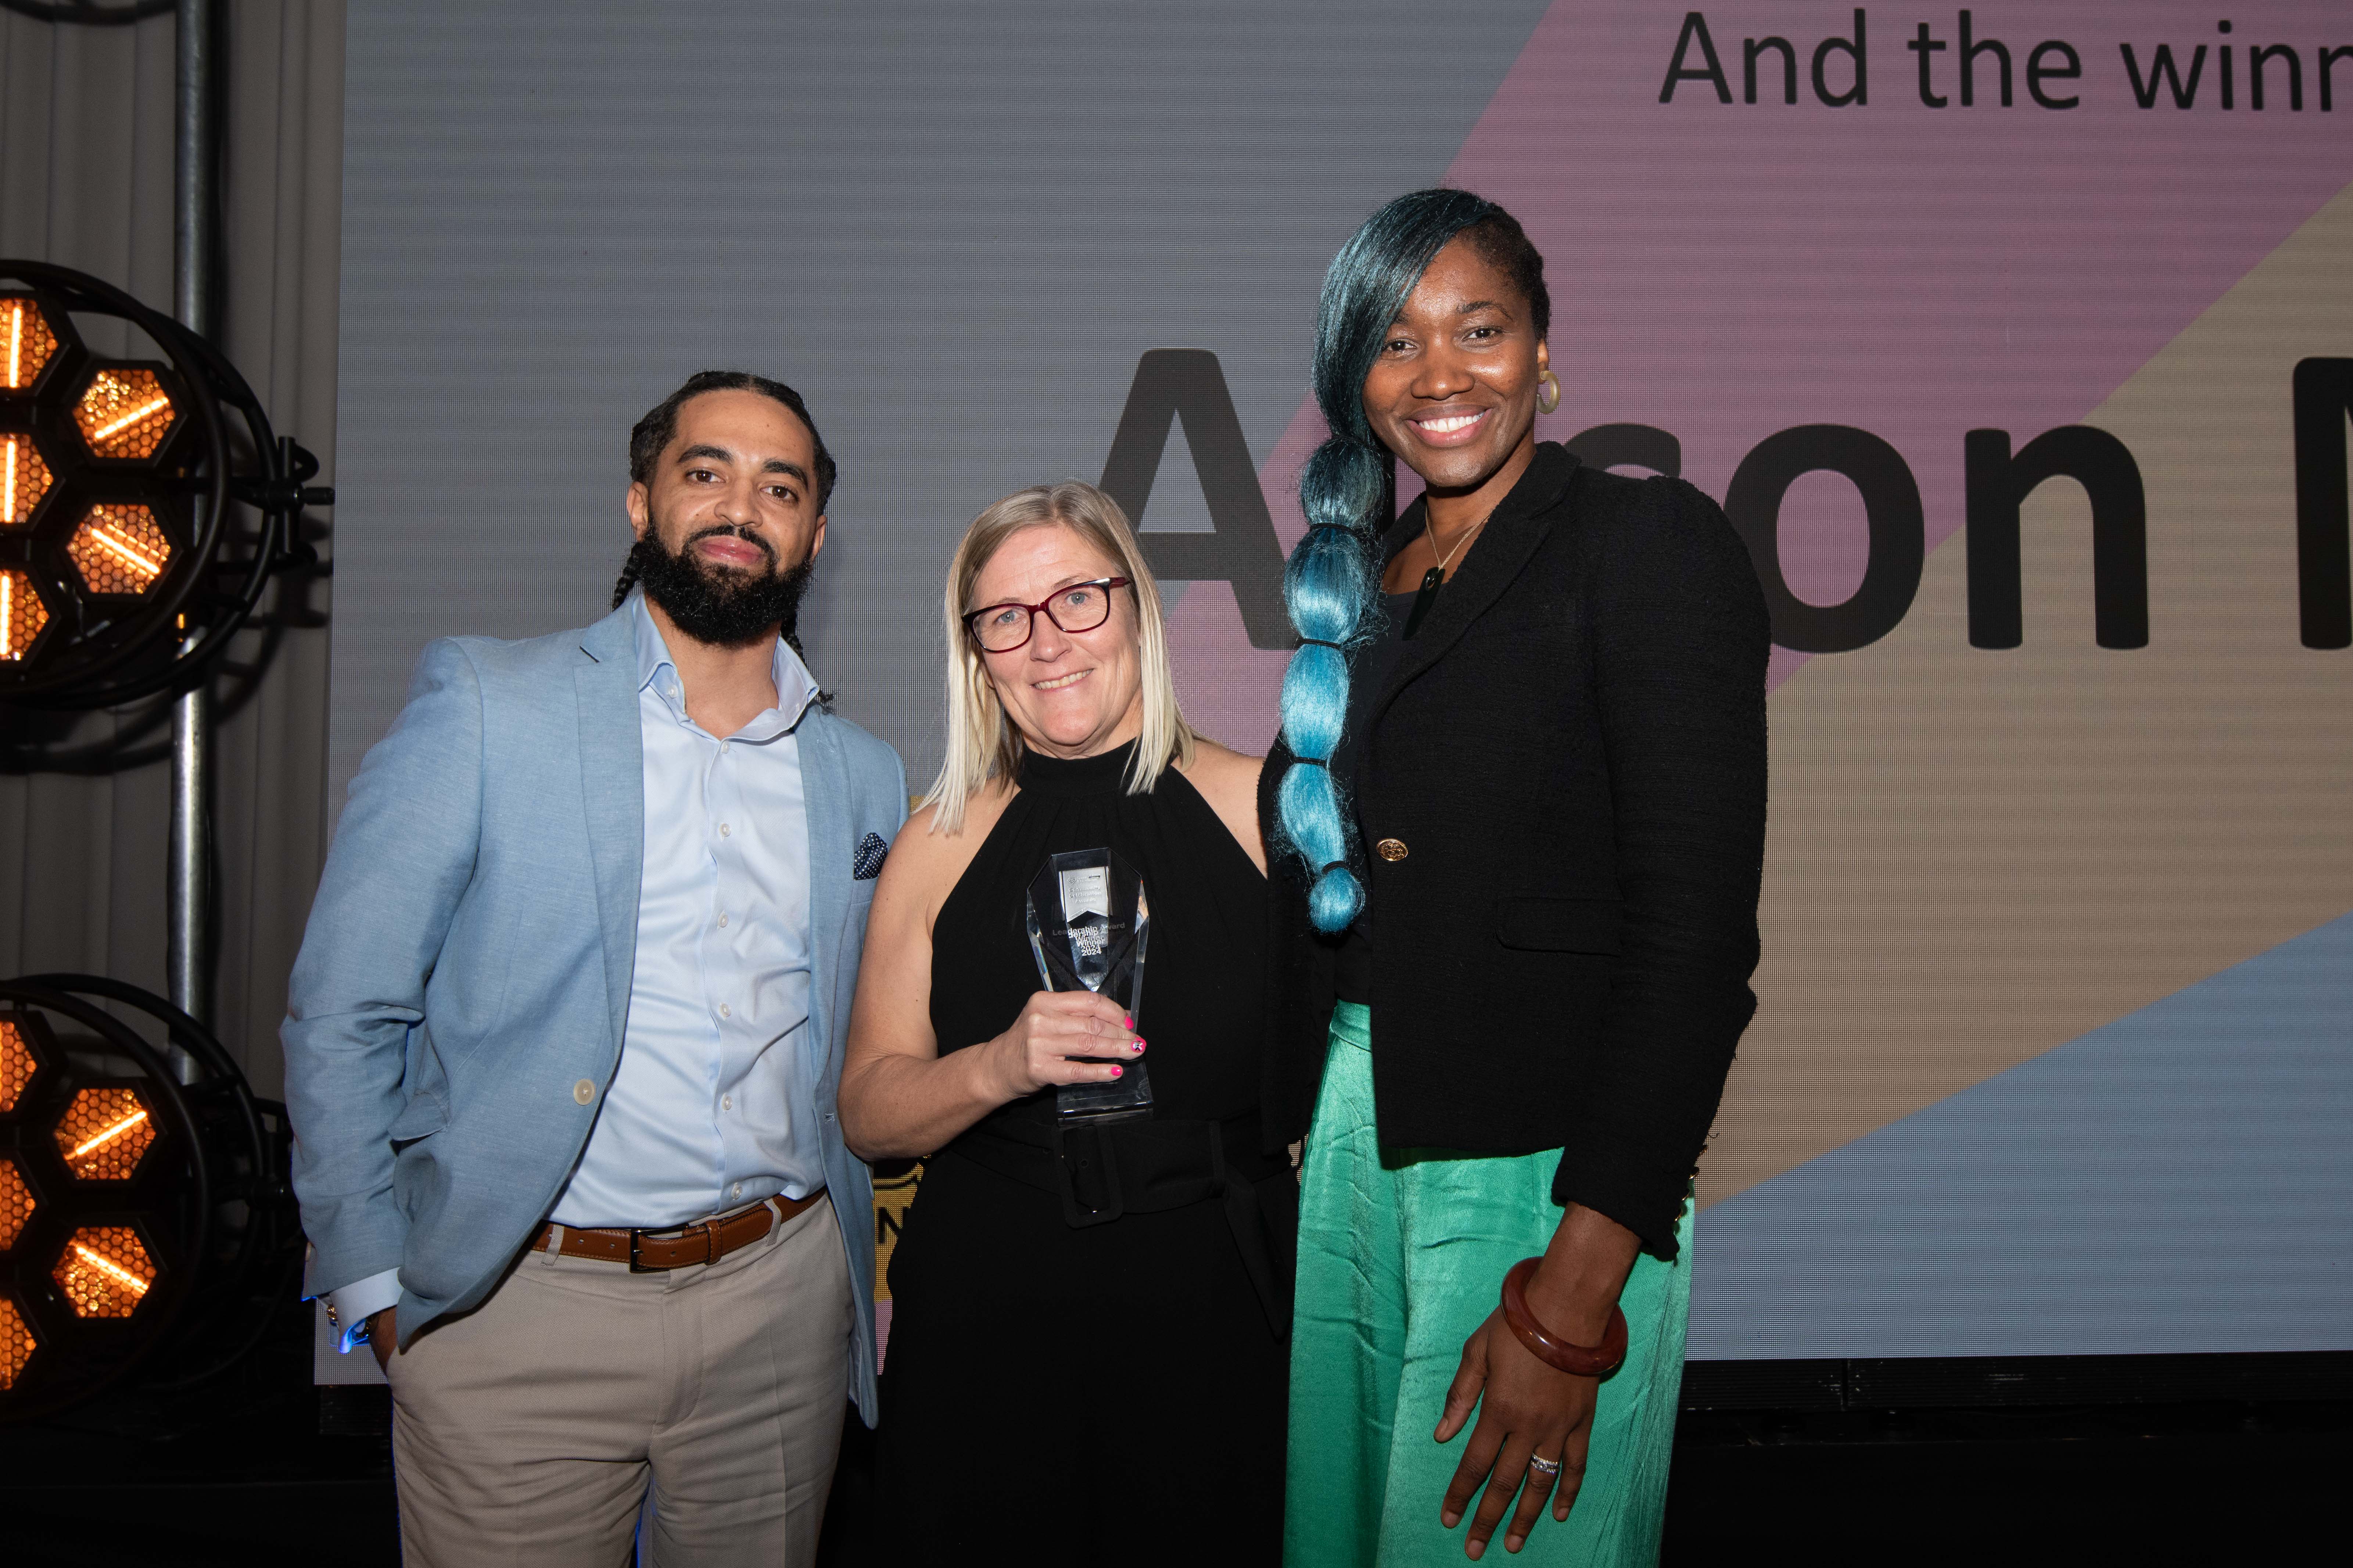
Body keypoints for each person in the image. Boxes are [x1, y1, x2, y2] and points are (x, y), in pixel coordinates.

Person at [283, 370, 905, 1565]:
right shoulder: (486, 701)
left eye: (781, 486)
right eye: (704, 471)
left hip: (778, 1315)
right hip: (517, 1311)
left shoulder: (864, 774)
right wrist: (369, 1285)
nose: (741, 505)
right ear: (639, 501)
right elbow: (343, 1009)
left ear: (816, 534)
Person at [1265, 191, 1769, 1565]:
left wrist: (1569, 1298)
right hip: (1358, 1162)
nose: (1439, 375)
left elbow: (1694, 946)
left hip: (1547, 1184)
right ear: (1353, 384)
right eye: (1394, 341)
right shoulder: (1357, 587)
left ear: (1542, 352)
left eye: (1477, 329)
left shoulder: (1642, 542)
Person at [839, 481, 1288, 1562]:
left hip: (1216, 1310)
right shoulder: (935, 840)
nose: (1047, 642)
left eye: (1077, 599)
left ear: (1136, 605)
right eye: (1005, 617)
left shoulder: (1266, 809)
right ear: (977, 651)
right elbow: (866, 1111)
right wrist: (995, 1066)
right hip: (990, 1316)